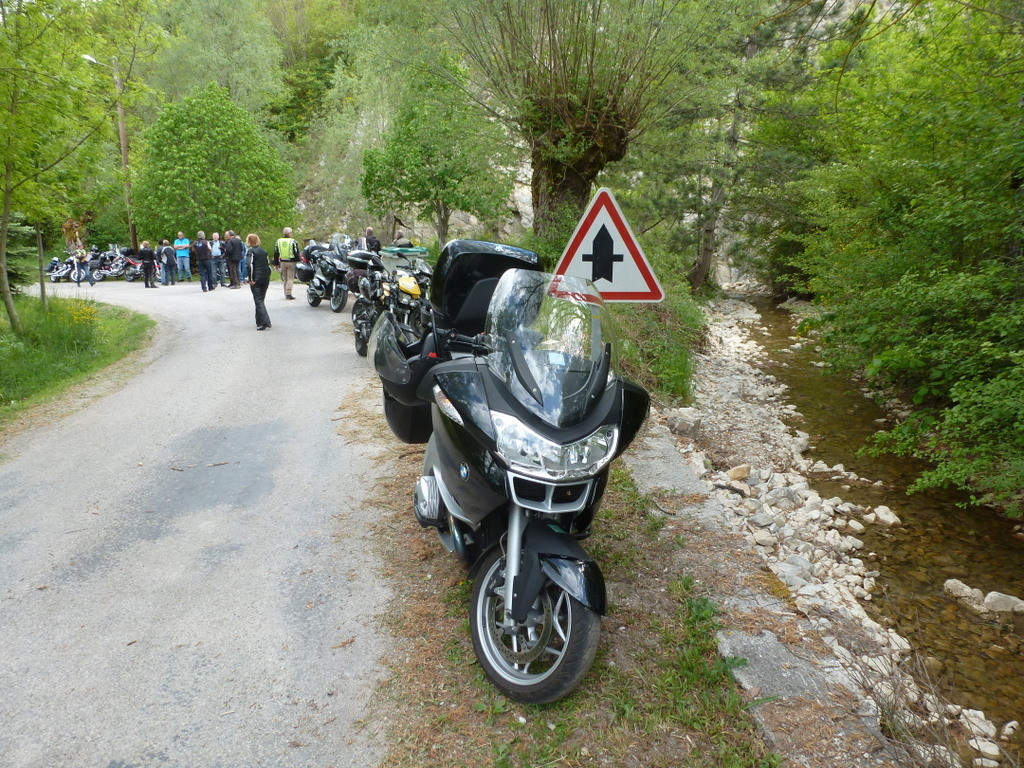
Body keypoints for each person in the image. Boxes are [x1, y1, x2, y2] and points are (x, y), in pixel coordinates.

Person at [246, 233, 272, 330]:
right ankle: (259, 321)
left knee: (258, 300)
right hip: (265, 277)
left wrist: (251, 279)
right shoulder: (264, 251)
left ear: (249, 241)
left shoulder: (250, 252)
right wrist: (267, 275)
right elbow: (268, 265)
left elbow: (249, 265)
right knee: (261, 299)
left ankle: (265, 321)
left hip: (256, 278)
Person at [273, 226, 300, 299]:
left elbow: (276, 253)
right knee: (290, 278)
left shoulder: (279, 241)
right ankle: (289, 293)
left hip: (282, 262)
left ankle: (285, 293)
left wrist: (276, 263)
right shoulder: (293, 241)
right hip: (291, 262)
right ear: (290, 233)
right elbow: (296, 252)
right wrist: (298, 260)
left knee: (285, 278)